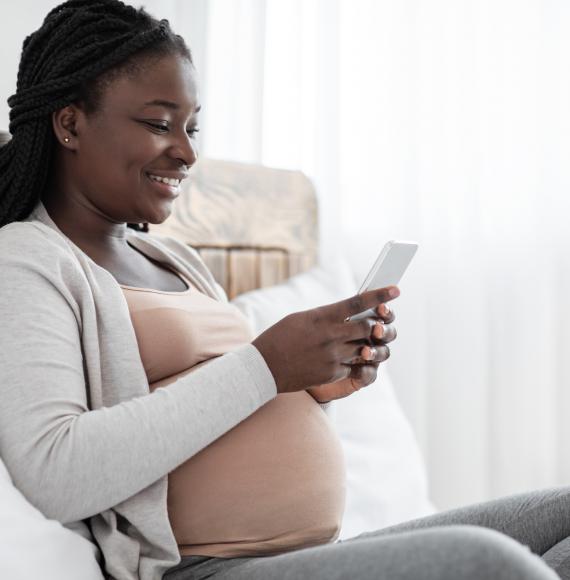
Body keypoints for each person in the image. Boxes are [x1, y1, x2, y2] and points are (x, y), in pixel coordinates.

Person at [0, 1, 568, 579]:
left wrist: (315, 383)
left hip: (315, 556)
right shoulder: (29, 258)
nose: (188, 152)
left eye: (192, 127)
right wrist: (266, 366)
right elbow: (56, 472)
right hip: (207, 569)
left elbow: (224, 394)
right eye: (158, 123)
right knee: (486, 563)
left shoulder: (174, 257)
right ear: (69, 124)